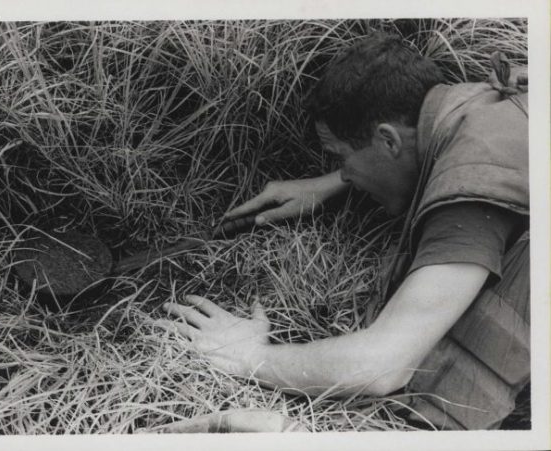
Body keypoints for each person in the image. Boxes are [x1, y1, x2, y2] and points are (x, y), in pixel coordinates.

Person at [154, 33, 529, 431]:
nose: (344, 171)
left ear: (388, 139)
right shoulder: (486, 107)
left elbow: (384, 364)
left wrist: (253, 357)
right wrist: (335, 182)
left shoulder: (473, 188)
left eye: (340, 157)